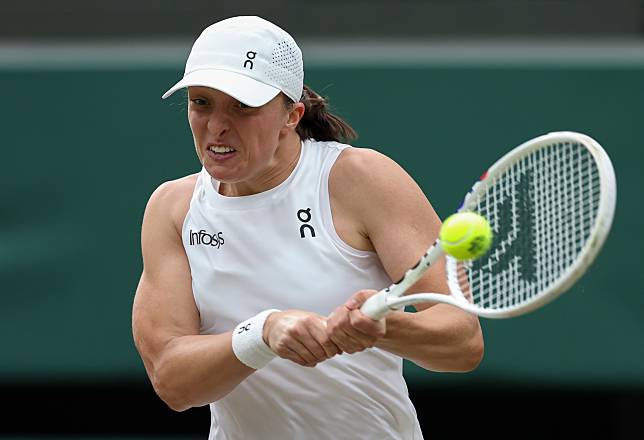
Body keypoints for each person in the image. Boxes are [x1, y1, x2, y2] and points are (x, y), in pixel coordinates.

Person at [132, 15, 484, 440]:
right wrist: (261, 333)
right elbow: (172, 380)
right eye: (201, 102)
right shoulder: (173, 208)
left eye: (242, 106)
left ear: (291, 115)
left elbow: (462, 341)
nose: (217, 125)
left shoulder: (361, 179)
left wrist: (382, 328)